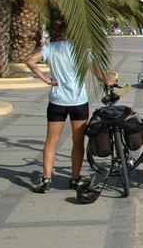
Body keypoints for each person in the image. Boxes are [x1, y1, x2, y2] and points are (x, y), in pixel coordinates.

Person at [25, 13, 114, 193]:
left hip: (57, 101)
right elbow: (98, 72)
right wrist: (108, 81)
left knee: (51, 140)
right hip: (78, 102)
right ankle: (75, 178)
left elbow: (30, 61)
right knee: (78, 141)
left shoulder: (50, 48)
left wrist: (45, 79)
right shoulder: (83, 50)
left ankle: (46, 179)